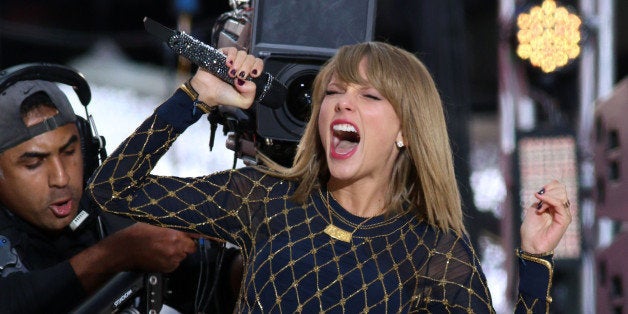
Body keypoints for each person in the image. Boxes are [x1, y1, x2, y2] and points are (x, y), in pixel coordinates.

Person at [87, 42, 572, 313]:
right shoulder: (264, 196)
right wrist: (199, 94)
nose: (343, 103)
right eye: (334, 92)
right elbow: (113, 188)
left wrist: (534, 260)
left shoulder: (433, 250)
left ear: (406, 131)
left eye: (370, 97)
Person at [0, 68, 200, 314]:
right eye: (34, 163)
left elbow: (210, 281)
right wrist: (114, 255)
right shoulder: (123, 245)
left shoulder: (103, 208)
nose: (61, 178)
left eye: (69, 152)